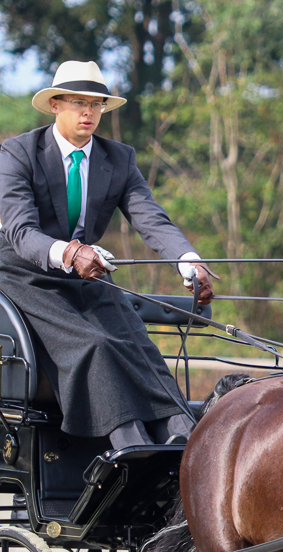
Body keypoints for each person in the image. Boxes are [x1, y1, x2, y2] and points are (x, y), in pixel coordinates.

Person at [0, 60, 218, 448]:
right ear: (55, 105)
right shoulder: (18, 153)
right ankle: (131, 445)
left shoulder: (118, 158)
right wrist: (71, 252)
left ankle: (184, 439)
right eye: (78, 103)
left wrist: (187, 260)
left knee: (137, 342)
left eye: (96, 104)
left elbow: (150, 217)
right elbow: (21, 232)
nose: (88, 112)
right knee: (94, 344)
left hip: (86, 270)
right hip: (24, 272)